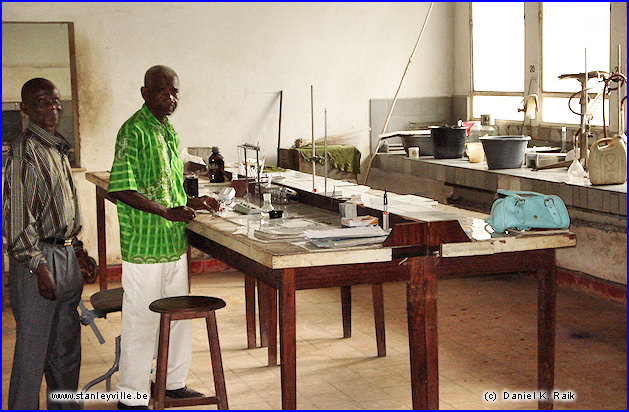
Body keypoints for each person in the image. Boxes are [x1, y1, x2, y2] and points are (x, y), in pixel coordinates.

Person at [108, 65, 218, 410]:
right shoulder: (133, 131)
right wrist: (166, 212)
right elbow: (122, 189)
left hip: (171, 242)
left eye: (174, 92)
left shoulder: (167, 129)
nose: (169, 99)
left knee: (179, 314)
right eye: (161, 92)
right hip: (144, 245)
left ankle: (171, 383)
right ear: (145, 93)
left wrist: (191, 201)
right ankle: (132, 393)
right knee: (141, 318)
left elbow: (167, 188)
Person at [2, 78, 84, 410]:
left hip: (65, 254)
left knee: (65, 353)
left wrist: (79, 250)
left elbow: (62, 210)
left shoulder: (56, 147)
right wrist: (38, 268)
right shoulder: (25, 151)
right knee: (32, 356)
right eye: (40, 103)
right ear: (25, 109)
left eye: (54, 101)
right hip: (37, 263)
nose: (51, 108)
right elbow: (17, 221)